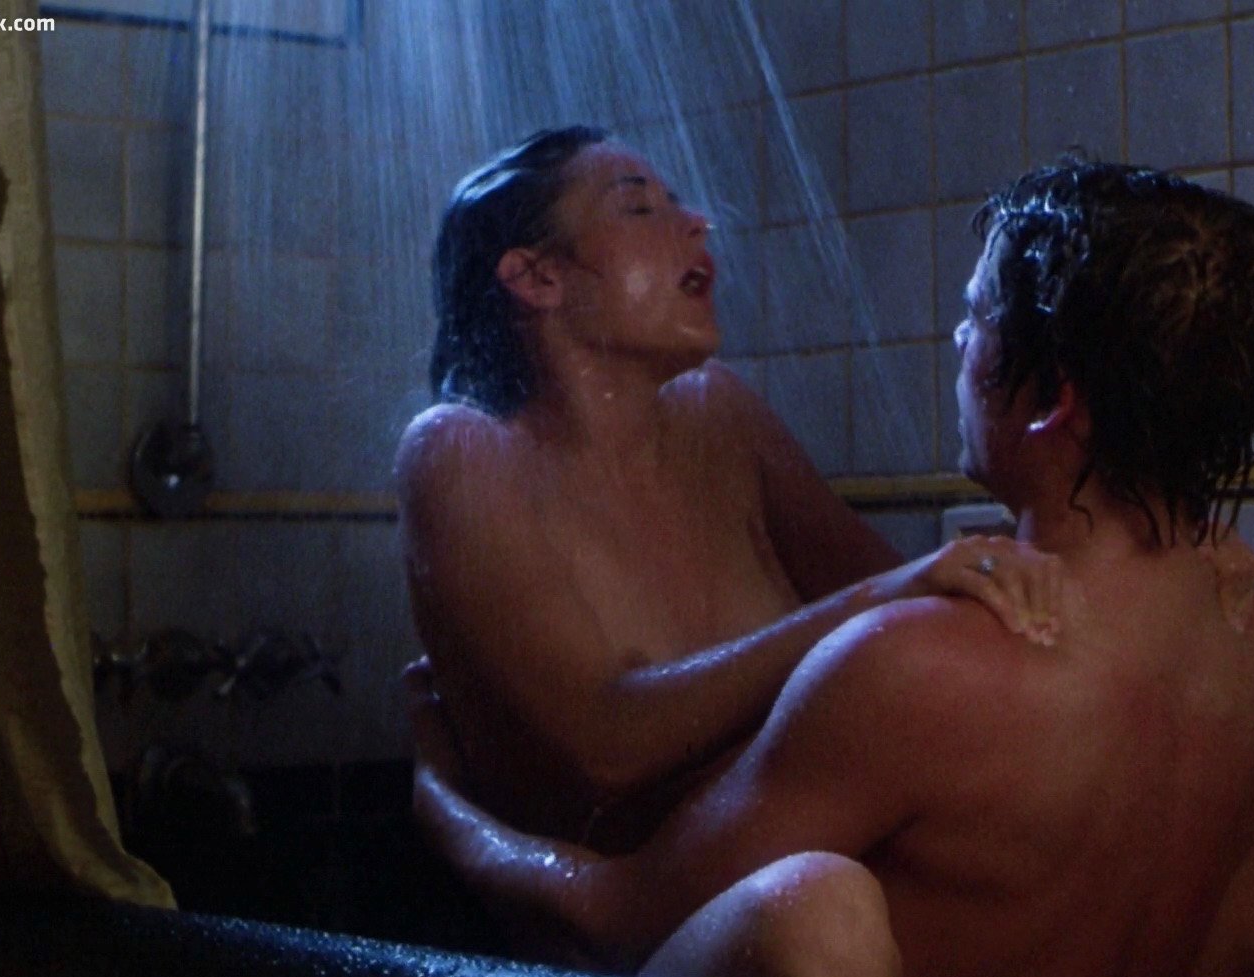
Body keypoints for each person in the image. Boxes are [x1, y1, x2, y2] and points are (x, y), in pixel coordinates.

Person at [410, 159, 1254, 977]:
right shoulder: (1247, 638)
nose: (956, 339)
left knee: (812, 910)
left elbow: (626, 917)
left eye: (975, 315)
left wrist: (449, 813)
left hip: (775, 951)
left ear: (1053, 398)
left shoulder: (914, 668)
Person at [396, 126, 1066, 862]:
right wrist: (882, 596)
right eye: (639, 208)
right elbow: (605, 748)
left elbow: (913, 614)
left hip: (798, 871)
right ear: (536, 278)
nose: (697, 223)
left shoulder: (718, 416)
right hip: (617, 919)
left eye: (677, 202)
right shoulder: (460, 455)